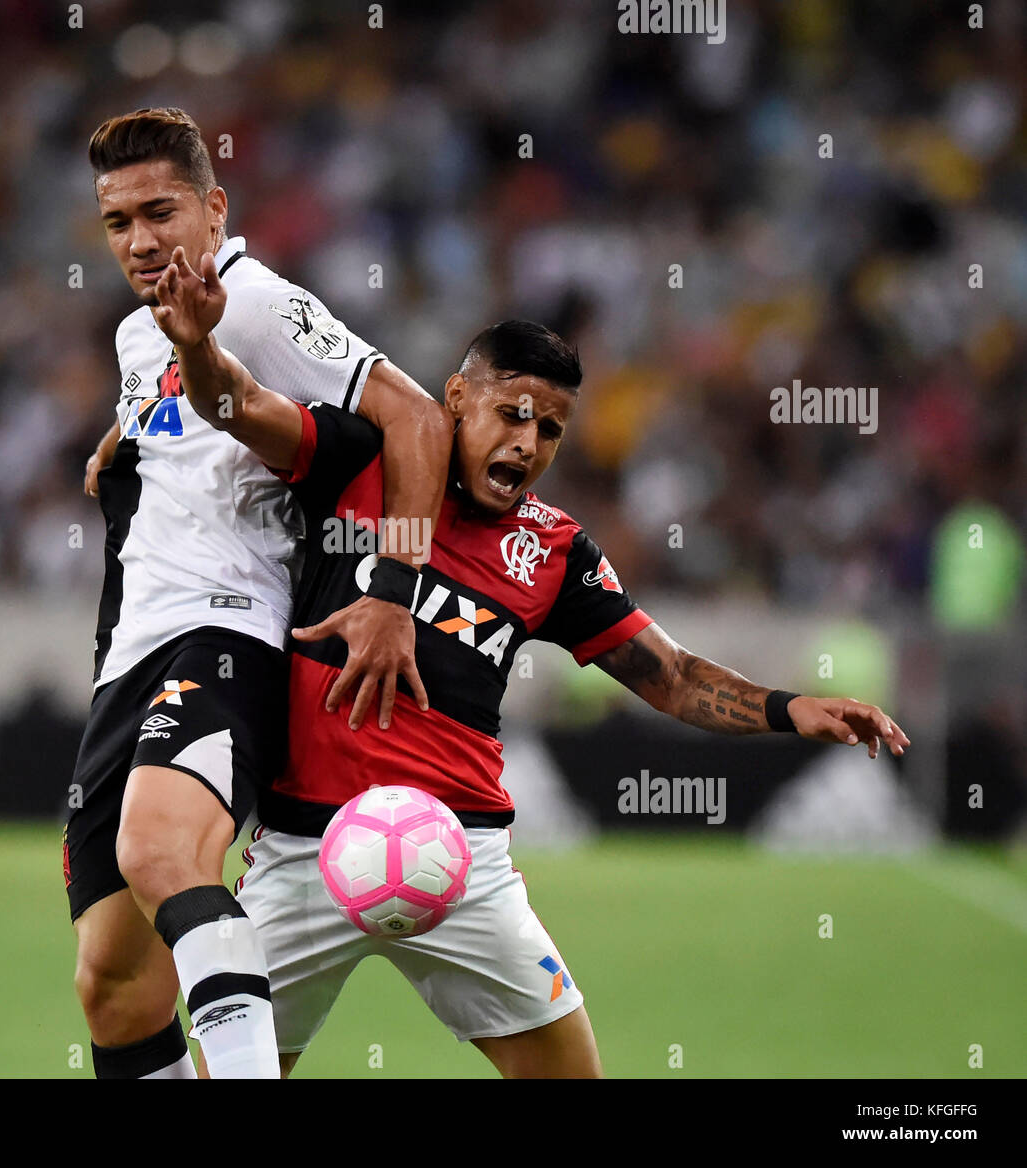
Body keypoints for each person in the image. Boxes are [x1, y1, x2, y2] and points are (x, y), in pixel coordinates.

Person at [150, 249, 912, 1078]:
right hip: (305, 847)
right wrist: (194, 345)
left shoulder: (552, 551)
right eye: (511, 414)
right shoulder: (358, 459)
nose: (527, 443)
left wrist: (789, 708)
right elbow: (239, 406)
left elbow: (671, 674)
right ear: (455, 400)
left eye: (549, 428)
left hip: (460, 857)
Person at [66, 108, 453, 1079]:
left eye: (160, 212)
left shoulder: (254, 300)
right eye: (118, 222)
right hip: (131, 655)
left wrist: (394, 589)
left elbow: (413, 418)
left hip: (224, 635)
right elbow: (193, 423)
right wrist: (121, 447)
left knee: (161, 853)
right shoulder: (132, 335)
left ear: (213, 207)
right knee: (112, 982)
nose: (141, 240)